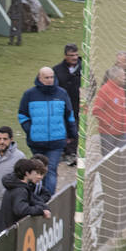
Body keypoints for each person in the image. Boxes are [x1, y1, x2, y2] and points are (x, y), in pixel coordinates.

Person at [17, 66, 76, 199]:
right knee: (37, 171)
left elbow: (69, 115)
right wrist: (30, 130)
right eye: (46, 77)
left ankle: (48, 200)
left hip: (56, 141)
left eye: (51, 77)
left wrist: (72, 134)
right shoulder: (29, 95)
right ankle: (36, 198)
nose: (50, 80)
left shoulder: (62, 93)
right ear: (39, 78)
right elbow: (22, 115)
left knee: (50, 170)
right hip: (37, 142)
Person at [52, 44, 83, 166]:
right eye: (71, 55)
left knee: (75, 128)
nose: (75, 57)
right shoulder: (57, 70)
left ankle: (72, 153)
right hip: (62, 107)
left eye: (76, 54)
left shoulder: (84, 69)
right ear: (65, 56)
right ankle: (62, 151)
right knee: (61, 127)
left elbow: (92, 85)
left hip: (77, 106)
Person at [0, 158, 52, 228]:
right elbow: (21, 210)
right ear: (27, 173)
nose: (38, 176)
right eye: (35, 172)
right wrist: (41, 211)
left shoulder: (19, 186)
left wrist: (43, 208)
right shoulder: (20, 190)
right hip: (10, 233)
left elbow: (34, 200)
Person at [92, 68, 126, 156]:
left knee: (122, 158)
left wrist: (125, 123)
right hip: (108, 133)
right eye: (123, 75)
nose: (125, 77)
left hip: (122, 132)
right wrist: (109, 123)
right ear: (116, 77)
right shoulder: (104, 90)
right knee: (109, 161)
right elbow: (96, 111)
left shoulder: (121, 90)